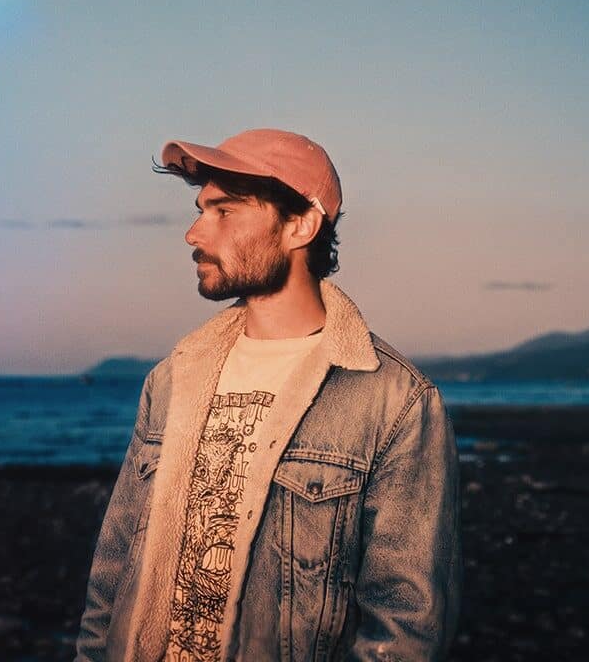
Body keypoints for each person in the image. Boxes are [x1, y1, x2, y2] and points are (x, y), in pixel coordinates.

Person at [76, 128, 461, 661]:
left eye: (225, 211)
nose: (193, 233)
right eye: (200, 210)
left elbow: (405, 626)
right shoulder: (171, 378)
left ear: (301, 225)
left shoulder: (394, 401)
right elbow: (113, 573)